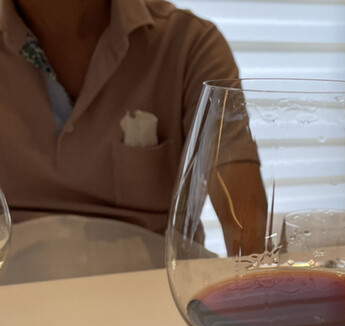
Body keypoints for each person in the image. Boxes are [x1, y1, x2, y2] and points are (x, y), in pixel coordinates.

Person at [0, 0, 267, 256]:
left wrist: (257, 278)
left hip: (152, 280)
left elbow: (244, 218)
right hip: (11, 280)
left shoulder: (190, 44)